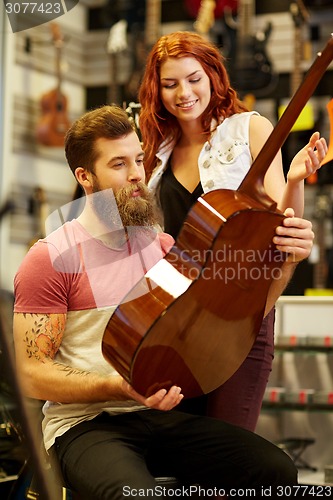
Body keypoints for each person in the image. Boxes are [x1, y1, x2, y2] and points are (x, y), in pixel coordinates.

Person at [13, 105, 305, 500]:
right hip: (84, 426)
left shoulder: (163, 247)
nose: (137, 174)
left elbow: (236, 318)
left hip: (159, 417)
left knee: (276, 472)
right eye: (118, 164)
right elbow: (31, 373)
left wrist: (286, 262)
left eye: (138, 159)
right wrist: (117, 387)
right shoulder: (50, 258)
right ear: (84, 176)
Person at [138, 31, 328, 429]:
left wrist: (295, 181)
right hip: (172, 321)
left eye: (193, 79)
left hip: (239, 318)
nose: (184, 93)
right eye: (170, 84)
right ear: (157, 90)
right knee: (177, 448)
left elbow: (283, 228)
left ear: (212, 76)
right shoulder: (156, 152)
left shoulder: (249, 129)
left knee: (229, 454)